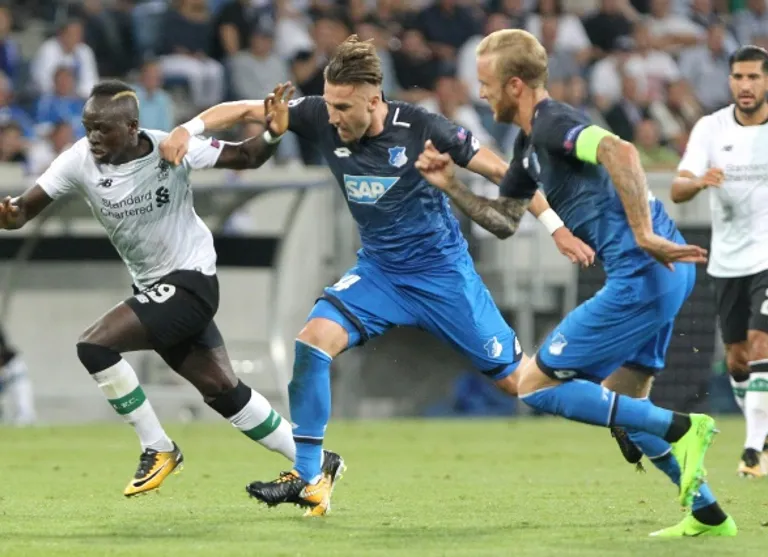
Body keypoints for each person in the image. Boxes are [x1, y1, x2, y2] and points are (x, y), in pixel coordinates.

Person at [159, 35, 596, 513]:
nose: (332, 117)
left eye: (343, 107)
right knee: (312, 343)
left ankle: (618, 412)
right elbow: (247, 109)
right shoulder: (321, 114)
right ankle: (309, 476)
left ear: (374, 101)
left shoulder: (423, 127)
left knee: (521, 384)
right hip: (380, 275)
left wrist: (555, 228)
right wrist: (187, 128)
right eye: (329, 104)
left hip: (442, 278)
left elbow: (502, 172)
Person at [414, 29, 736, 538]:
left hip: (643, 275)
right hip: (664, 275)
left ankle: (683, 426)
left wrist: (643, 233)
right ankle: (707, 513)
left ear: (515, 85)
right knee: (626, 409)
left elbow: (620, 151)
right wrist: (451, 184)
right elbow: (504, 220)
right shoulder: (528, 146)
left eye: (487, 82)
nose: (481, 92)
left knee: (533, 387)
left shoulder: (552, 123)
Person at [0, 80, 343, 516]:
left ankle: (158, 447)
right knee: (224, 391)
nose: (93, 137)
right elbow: (23, 210)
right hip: (155, 289)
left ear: (132, 127)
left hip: (192, 281)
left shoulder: (170, 148)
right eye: (88, 127)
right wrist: (9, 214)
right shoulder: (78, 160)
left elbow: (247, 156)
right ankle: (317, 462)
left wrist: (274, 134)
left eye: (103, 129)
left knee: (94, 345)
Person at [671, 45, 768, 479]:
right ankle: (762, 434)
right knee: (737, 360)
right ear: (729, 80)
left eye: (754, 77)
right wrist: (699, 182)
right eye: (739, 77)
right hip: (728, 262)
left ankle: (752, 449)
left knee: (761, 343)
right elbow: (678, 188)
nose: (745, 85)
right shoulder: (710, 128)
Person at [0, 326, 35, 425]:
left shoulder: (12, 360)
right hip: (10, 380)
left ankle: (25, 418)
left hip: (18, 379)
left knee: (24, 409)